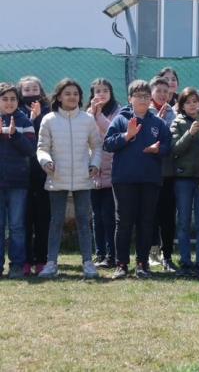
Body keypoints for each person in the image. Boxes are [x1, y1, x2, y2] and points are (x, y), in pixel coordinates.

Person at [104, 79, 172, 280]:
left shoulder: (158, 123)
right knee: (124, 222)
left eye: (145, 96)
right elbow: (108, 144)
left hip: (150, 180)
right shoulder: (120, 120)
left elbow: (168, 147)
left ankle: (142, 264)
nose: (142, 99)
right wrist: (126, 135)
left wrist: (158, 149)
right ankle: (121, 265)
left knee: (146, 222)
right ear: (130, 98)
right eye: (138, 96)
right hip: (124, 179)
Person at [36, 78, 103, 279]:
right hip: (57, 176)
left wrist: (94, 164)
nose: (72, 97)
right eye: (67, 93)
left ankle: (88, 263)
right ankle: (51, 263)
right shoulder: (48, 119)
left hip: (83, 177)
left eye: (75, 94)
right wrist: (46, 162)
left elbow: (97, 146)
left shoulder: (87, 119)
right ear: (58, 96)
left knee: (84, 221)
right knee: (56, 220)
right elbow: (42, 148)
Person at [171, 87, 199, 277]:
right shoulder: (178, 122)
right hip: (183, 178)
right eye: (188, 102)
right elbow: (175, 150)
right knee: (183, 223)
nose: (192, 105)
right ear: (181, 105)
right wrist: (190, 133)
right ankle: (185, 262)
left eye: (195, 102)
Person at [0, 82, 36, 279]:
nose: (9, 102)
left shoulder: (24, 121)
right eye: (4, 99)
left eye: (13, 98)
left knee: (16, 226)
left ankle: (17, 265)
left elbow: (31, 150)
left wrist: (14, 135)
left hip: (18, 183)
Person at [85, 78, 122, 269]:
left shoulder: (119, 112)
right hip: (93, 173)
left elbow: (111, 132)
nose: (100, 94)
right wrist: (92, 114)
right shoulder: (86, 113)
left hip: (112, 172)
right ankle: (99, 254)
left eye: (105, 90)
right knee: (97, 216)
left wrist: (98, 115)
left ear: (111, 93)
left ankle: (111, 255)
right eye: (97, 90)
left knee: (109, 216)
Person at [17, 76, 51, 276]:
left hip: (44, 172)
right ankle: (25, 259)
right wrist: (31, 119)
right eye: (27, 90)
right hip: (21, 173)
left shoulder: (49, 111)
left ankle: (41, 259)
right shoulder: (16, 111)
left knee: (43, 218)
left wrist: (38, 118)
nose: (31, 93)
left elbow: (46, 138)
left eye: (35, 88)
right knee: (23, 220)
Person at [149, 77, 178, 272]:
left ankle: (167, 256)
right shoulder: (146, 112)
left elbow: (174, 142)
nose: (162, 94)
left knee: (168, 218)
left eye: (165, 91)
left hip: (168, 174)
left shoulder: (175, 114)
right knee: (150, 217)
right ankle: (151, 254)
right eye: (158, 90)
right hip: (149, 174)